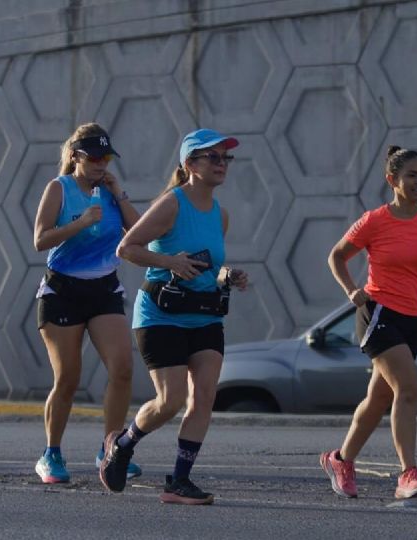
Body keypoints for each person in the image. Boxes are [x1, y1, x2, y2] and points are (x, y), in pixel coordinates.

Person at [101, 128, 249, 505]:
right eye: (212, 157)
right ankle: (122, 443)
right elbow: (127, 247)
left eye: (224, 158)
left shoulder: (221, 214)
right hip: (160, 315)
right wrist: (168, 262)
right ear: (189, 164)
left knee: (203, 399)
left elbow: (206, 265)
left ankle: (179, 482)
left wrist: (226, 274)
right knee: (170, 401)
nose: (221, 164)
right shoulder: (172, 204)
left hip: (204, 316)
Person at [320, 145, 417, 499]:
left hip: (415, 319)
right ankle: (408, 473)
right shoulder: (375, 220)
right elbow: (337, 256)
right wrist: (351, 290)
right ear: (392, 180)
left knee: (379, 399)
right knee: (409, 390)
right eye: (412, 175)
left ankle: (340, 459)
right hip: (379, 314)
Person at [32, 123, 143, 484]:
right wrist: (80, 223)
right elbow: (40, 240)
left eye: (107, 157)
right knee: (68, 378)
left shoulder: (110, 191)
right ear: (76, 157)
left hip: (103, 289)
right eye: (95, 157)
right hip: (62, 290)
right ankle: (51, 453)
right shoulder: (59, 189)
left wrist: (119, 194)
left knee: (123, 367)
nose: (101, 164)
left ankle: (111, 449)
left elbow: (142, 234)